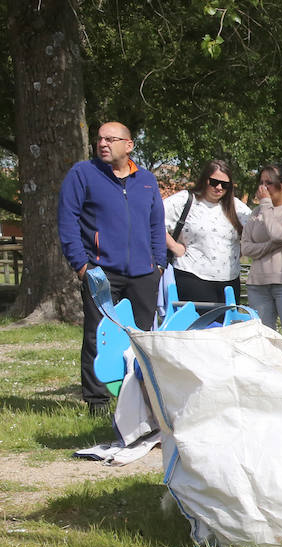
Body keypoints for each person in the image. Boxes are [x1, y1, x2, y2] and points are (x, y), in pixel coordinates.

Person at [58, 121, 165, 415]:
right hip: (101, 273)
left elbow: (157, 224)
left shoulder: (146, 180)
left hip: (144, 273)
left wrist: (158, 264)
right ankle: (97, 402)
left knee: (141, 338)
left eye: (110, 139)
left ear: (128, 145)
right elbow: (68, 222)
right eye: (100, 139)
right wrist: (82, 266)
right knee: (98, 334)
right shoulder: (83, 174)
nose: (103, 143)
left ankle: (140, 400)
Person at [163, 160, 253, 306]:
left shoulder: (237, 206)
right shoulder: (185, 200)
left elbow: (257, 230)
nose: (219, 188)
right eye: (214, 182)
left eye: (225, 184)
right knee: (200, 328)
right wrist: (174, 246)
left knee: (226, 328)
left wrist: (243, 250)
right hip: (192, 277)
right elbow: (152, 220)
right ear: (205, 180)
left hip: (229, 281)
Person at [241, 162, 282, 344]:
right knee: (263, 341)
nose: (263, 188)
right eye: (261, 182)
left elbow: (277, 233)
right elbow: (246, 248)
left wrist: (266, 204)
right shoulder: (256, 213)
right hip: (258, 284)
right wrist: (272, 246)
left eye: (268, 183)